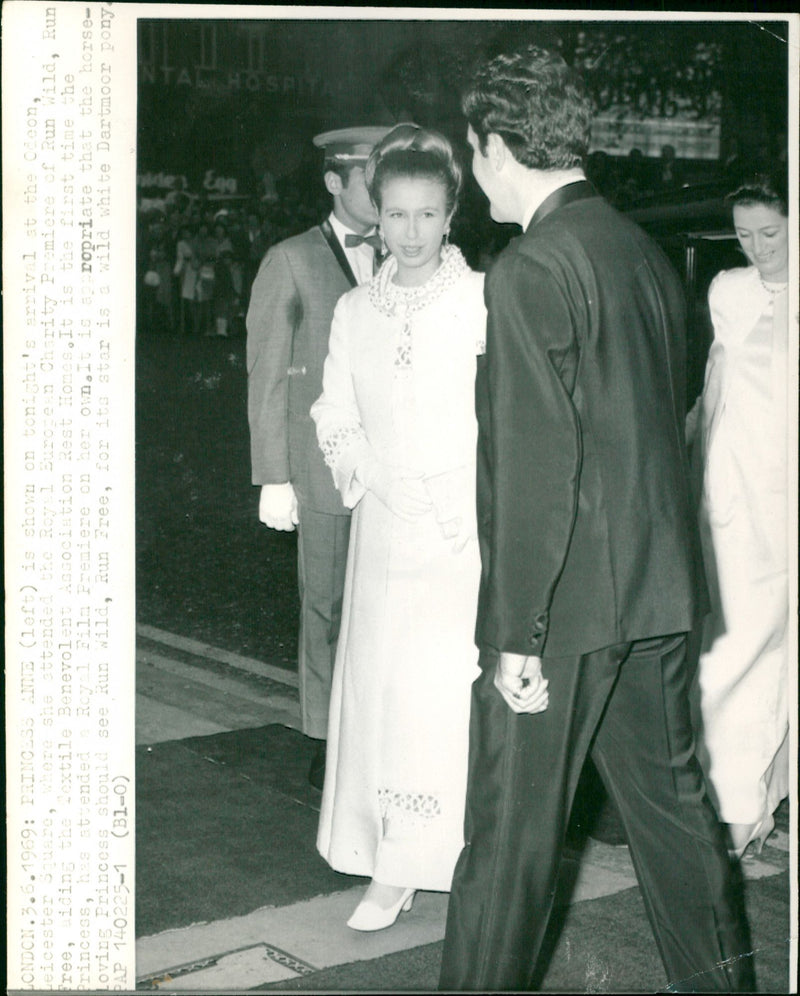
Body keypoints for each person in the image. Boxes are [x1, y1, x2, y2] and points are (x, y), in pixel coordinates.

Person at [439, 46, 755, 992]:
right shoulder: (642, 252)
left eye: (474, 153)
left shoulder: (531, 266)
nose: (475, 176)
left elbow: (537, 467)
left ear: (497, 145)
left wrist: (518, 632)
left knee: (507, 843)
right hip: (656, 594)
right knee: (676, 823)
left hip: (567, 607)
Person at [310, 123, 486, 931]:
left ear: (451, 214)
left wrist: (455, 490)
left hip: (459, 535)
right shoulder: (355, 309)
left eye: (426, 215)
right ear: (374, 216)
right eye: (395, 216)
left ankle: (452, 857)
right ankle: (390, 864)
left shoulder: (482, 300)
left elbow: (504, 416)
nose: (409, 234)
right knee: (384, 693)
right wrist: (379, 478)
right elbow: (334, 411)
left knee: (443, 696)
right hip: (384, 530)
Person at [246, 125, 391, 788]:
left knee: (390, 601)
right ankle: (329, 737)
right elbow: (267, 374)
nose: (383, 190)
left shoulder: (413, 250)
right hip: (320, 465)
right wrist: (274, 475)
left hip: (394, 461)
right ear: (334, 181)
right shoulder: (291, 259)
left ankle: (382, 730)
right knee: (328, 601)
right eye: (369, 176)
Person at [687, 172, 791, 861]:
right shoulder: (728, 290)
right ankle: (736, 806)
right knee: (735, 651)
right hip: (738, 490)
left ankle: (771, 797)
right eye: (745, 233)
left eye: (771, 233)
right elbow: (713, 389)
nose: (757, 248)